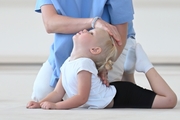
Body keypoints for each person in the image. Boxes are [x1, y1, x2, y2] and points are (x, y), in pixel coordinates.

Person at [27, 28, 177, 109]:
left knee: (170, 100)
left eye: (90, 33)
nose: (85, 30)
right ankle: (128, 71)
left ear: (95, 50)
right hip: (115, 92)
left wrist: (57, 106)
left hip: (121, 96)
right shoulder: (68, 62)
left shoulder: (84, 64)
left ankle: (145, 65)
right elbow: (57, 92)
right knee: (140, 91)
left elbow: (81, 98)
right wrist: (40, 103)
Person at [31, 0, 136, 102]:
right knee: (41, 95)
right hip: (71, 46)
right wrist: (93, 22)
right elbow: (50, 23)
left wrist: (104, 64)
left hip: (111, 46)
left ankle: (126, 73)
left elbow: (119, 37)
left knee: (97, 97)